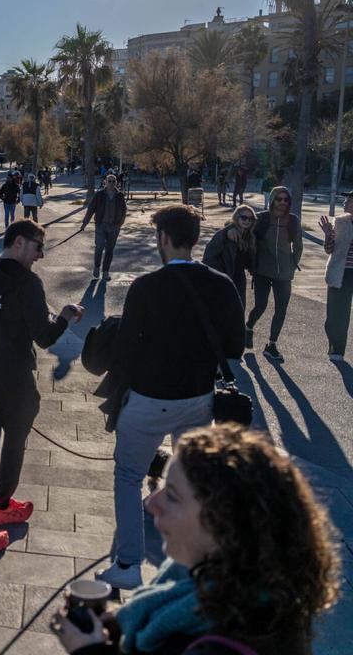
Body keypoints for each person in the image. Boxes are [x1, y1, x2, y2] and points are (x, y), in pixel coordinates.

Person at [53, 425, 340, 655]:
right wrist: (117, 627)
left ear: (224, 525)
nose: (153, 502)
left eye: (173, 496)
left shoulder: (220, 643)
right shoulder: (222, 586)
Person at [96, 204, 244, 590]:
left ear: (162, 238)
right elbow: (234, 347)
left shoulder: (146, 286)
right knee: (188, 479)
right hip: (198, 399)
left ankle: (128, 565)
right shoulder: (221, 284)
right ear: (195, 239)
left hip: (149, 399)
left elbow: (125, 351)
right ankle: (189, 562)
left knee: (128, 475)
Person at [0, 219, 82, 560]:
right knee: (14, 443)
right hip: (15, 381)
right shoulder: (28, 283)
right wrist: (66, 315)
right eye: (37, 246)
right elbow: (44, 337)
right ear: (17, 243)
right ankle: (0, 508)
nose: (41, 255)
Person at [244, 186, 302, 363]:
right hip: (262, 271)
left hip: (284, 273)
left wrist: (293, 264)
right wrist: (252, 265)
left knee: (281, 309)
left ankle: (272, 345)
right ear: (272, 200)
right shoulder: (261, 218)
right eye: (279, 199)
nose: (282, 202)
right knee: (260, 305)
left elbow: (298, 245)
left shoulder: (293, 220)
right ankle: (248, 327)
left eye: (286, 200)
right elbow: (247, 237)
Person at [202, 204, 257, 311]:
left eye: (250, 219)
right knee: (223, 307)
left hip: (239, 276)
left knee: (240, 307)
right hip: (225, 275)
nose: (247, 221)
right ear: (237, 217)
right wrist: (218, 274)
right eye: (244, 217)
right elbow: (208, 257)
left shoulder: (249, 236)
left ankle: (239, 327)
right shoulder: (225, 234)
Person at [320, 191, 353, 362]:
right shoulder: (340, 222)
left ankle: (338, 349)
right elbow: (329, 249)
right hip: (340, 272)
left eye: (348, 201)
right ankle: (335, 344)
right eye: (345, 200)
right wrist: (327, 234)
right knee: (335, 314)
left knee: (345, 313)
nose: (345, 203)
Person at [80, 173, 127, 279]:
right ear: (105, 182)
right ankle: (97, 267)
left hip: (114, 227)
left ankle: (106, 271)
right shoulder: (99, 195)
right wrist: (84, 223)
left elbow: (124, 210)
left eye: (113, 181)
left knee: (110, 250)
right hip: (101, 225)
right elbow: (91, 209)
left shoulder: (120, 195)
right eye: (109, 181)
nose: (111, 183)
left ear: (116, 182)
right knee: (99, 247)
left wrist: (120, 223)